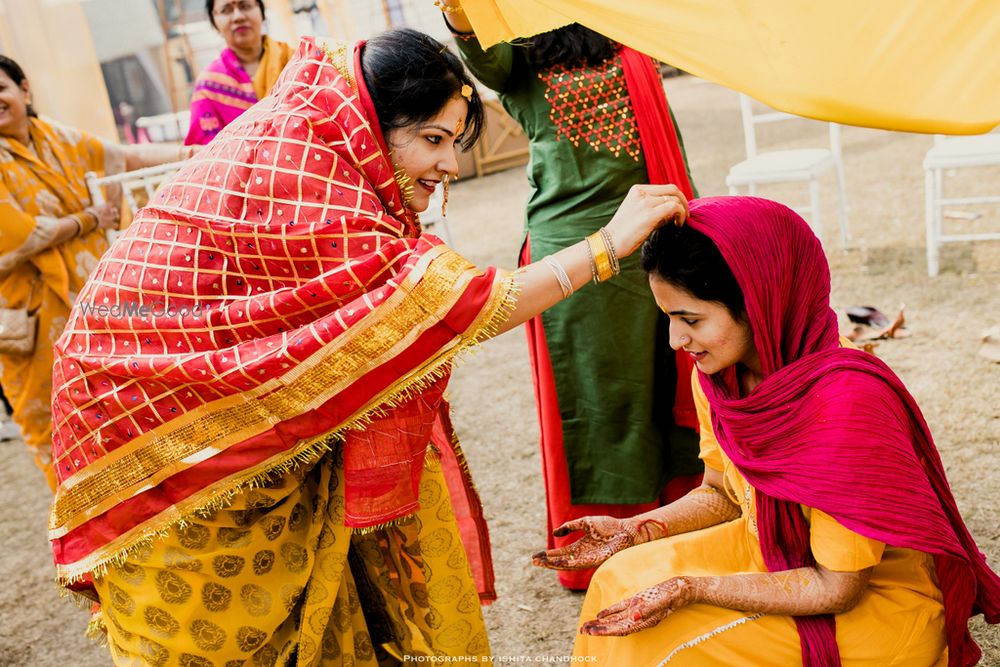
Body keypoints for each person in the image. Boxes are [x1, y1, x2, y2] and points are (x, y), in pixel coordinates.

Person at [48, 30, 688, 664]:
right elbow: (458, 307)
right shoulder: (311, 177)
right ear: (373, 125)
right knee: (226, 630)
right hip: (146, 424)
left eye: (454, 143)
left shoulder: (321, 138)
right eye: (433, 140)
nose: (450, 167)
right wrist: (607, 246)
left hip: (181, 397)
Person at [532, 196, 1000, 665]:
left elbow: (837, 588)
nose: (676, 340)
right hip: (774, 552)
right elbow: (721, 492)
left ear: (760, 301)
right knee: (618, 580)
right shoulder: (720, 373)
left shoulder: (846, 404)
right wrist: (634, 530)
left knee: (658, 644)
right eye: (669, 318)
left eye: (690, 319)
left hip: (873, 608)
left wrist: (692, 589)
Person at [436, 0, 702, 590]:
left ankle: (680, 526)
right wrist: (459, 11)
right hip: (578, 257)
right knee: (601, 403)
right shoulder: (521, 50)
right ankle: (604, 547)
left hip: (658, 234)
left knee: (669, 387)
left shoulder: (626, 26)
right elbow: (480, 50)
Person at [0, 55, 195, 490]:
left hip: (89, 306)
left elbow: (122, 156)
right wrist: (87, 219)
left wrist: (195, 153)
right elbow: (18, 237)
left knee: (117, 409)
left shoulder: (53, 137)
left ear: (24, 89)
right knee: (55, 430)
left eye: (0, 88)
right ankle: (83, 534)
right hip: (31, 321)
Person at [185, 0, 294, 145]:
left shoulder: (295, 61)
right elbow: (205, 153)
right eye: (226, 10)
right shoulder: (209, 86)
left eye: (245, 6)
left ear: (261, 11)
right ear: (214, 21)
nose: (238, 17)